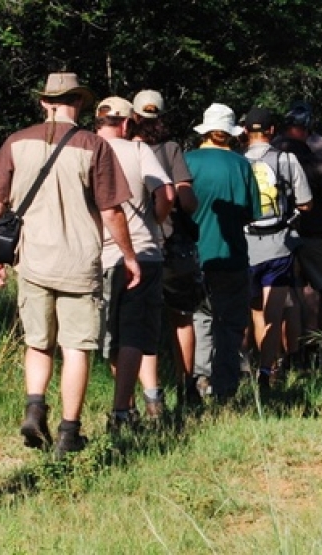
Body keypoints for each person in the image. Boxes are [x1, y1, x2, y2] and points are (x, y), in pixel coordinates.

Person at [0, 73, 140, 459]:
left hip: (32, 260)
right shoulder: (93, 145)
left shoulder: (16, 142)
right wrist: (130, 257)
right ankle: (69, 433)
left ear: (43, 102)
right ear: (80, 104)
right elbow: (111, 210)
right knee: (76, 348)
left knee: (38, 342)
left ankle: (35, 407)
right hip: (79, 263)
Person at [94, 95, 174, 429]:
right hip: (140, 252)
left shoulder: (84, 150)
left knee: (110, 335)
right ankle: (122, 411)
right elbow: (166, 194)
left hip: (96, 256)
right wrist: (156, 223)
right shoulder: (138, 151)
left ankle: (123, 403)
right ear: (127, 123)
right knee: (134, 334)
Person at [184, 103, 260, 401]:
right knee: (230, 322)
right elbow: (252, 213)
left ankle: (199, 379)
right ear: (229, 134)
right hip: (233, 256)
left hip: (195, 256)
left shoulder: (187, 162)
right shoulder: (241, 165)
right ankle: (226, 385)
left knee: (199, 318)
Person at [131, 89, 200, 407]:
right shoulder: (171, 149)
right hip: (170, 244)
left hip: (133, 246)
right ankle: (188, 386)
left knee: (142, 321)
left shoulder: (124, 148)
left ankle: (151, 394)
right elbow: (185, 200)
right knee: (181, 318)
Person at [242, 107, 312, 390]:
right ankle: (266, 371)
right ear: (272, 131)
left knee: (256, 313)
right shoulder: (286, 159)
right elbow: (306, 202)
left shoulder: (237, 162)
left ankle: (252, 365)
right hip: (279, 247)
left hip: (246, 246)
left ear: (245, 132)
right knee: (275, 313)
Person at [273, 106, 322, 364]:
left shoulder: (270, 156)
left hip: (277, 237)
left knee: (291, 293)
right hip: (315, 234)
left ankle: (288, 352)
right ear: (307, 129)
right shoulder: (317, 159)